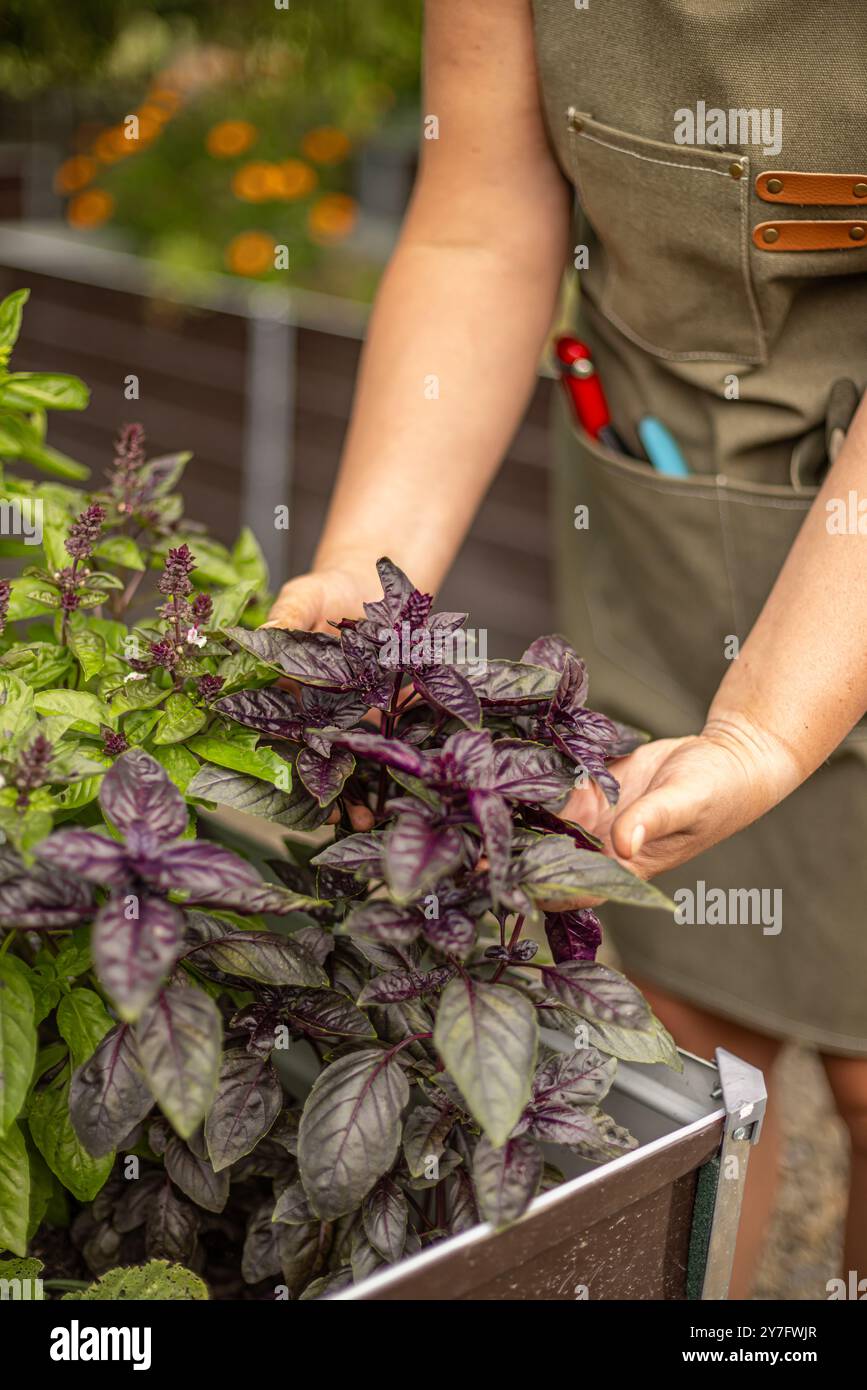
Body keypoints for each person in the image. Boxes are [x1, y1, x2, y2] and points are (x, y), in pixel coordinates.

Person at [266, 0, 867, 1296]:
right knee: (690, 1048)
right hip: (663, 523)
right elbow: (480, 220)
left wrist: (763, 726)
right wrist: (370, 584)